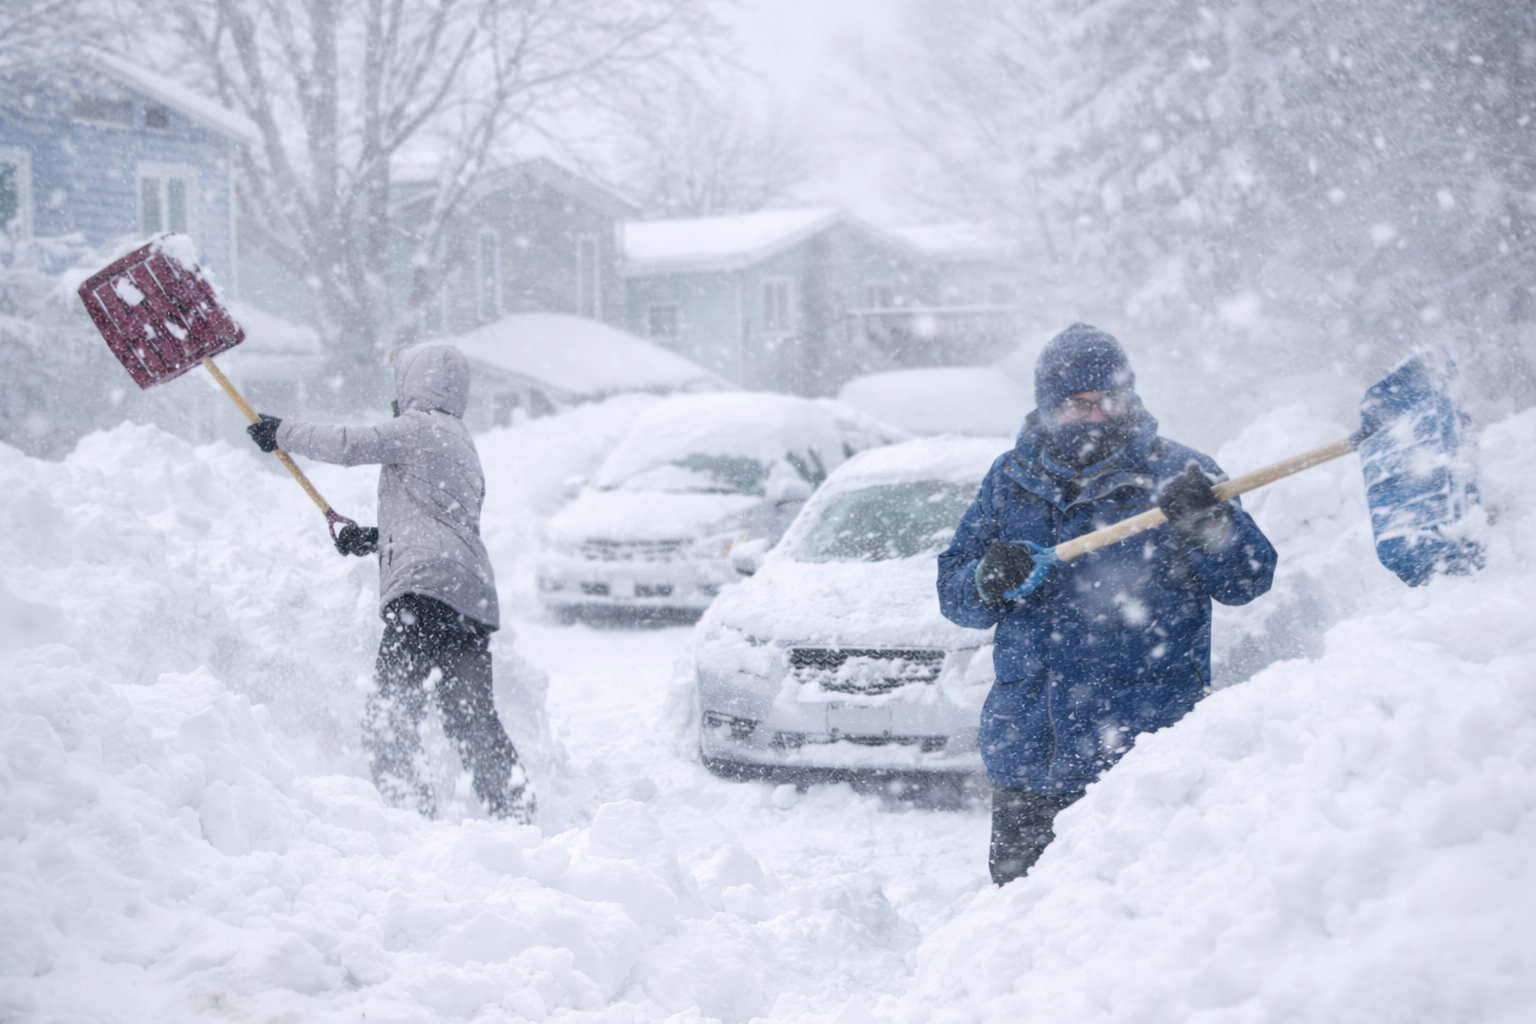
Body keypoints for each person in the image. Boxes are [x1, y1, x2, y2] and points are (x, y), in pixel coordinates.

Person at [937, 323, 1275, 885]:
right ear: (1048, 407)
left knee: (1135, 910)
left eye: (1109, 400)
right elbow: (955, 594)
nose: (1097, 416)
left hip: (1143, 760)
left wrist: (1211, 525)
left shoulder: (1180, 474)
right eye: (1078, 404)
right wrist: (987, 578)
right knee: (1019, 919)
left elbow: (1248, 581)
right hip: (1030, 753)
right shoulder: (1010, 479)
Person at [246, 344, 533, 824]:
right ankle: (517, 815)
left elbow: (348, 444)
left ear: (414, 383)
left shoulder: (417, 427)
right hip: (470, 597)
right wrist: (376, 540)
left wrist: (281, 432)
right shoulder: (461, 441)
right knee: (470, 720)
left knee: (391, 716)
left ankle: (408, 820)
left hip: (424, 594)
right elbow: (440, 525)